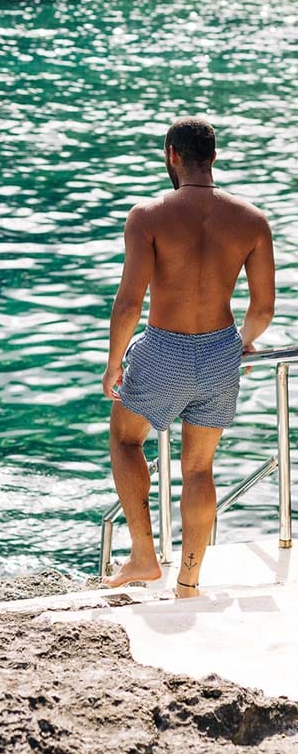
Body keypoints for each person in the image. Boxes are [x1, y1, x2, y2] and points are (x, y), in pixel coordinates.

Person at [101, 118, 275, 597]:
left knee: (125, 440)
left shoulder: (148, 215)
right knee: (198, 469)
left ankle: (143, 556)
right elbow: (262, 309)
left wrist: (114, 361)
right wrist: (242, 340)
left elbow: (129, 303)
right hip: (221, 350)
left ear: (172, 156)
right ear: (212, 158)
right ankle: (189, 580)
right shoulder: (252, 221)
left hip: (165, 348)